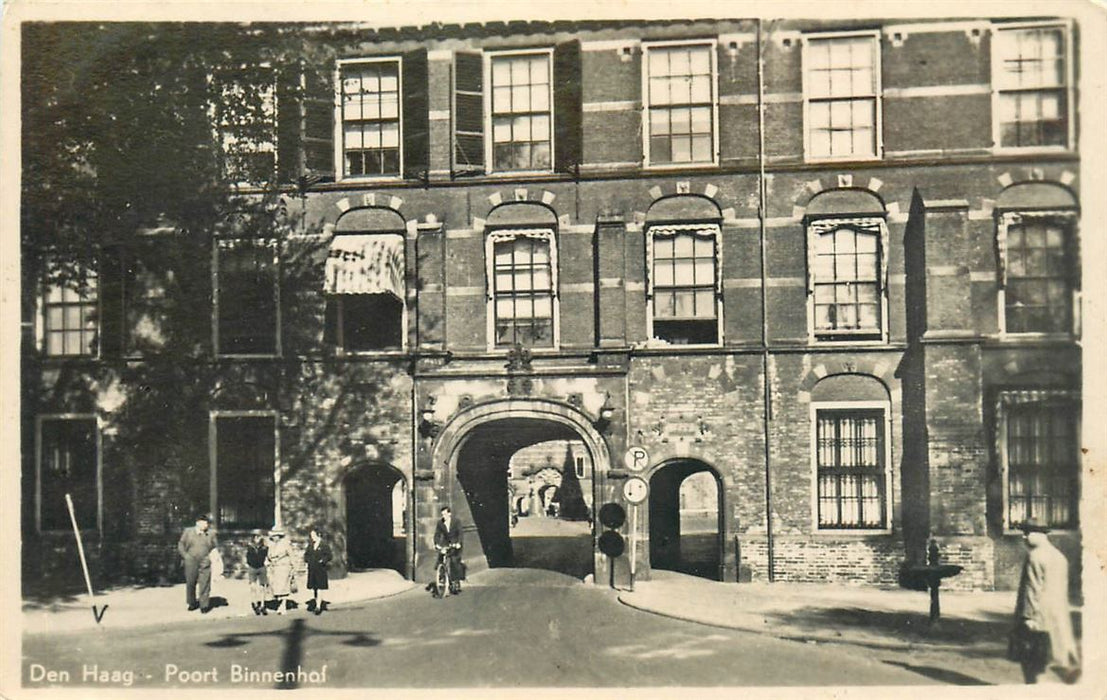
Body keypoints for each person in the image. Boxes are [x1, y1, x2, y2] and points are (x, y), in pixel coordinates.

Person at [1012, 518, 1081, 684]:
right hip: (1055, 618)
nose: (1024, 537)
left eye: (1027, 532)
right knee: (1046, 661)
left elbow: (1031, 588)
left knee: (1031, 665)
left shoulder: (1035, 556)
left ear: (1041, 534)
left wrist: (1028, 617)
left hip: (1035, 618)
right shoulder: (1059, 556)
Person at [177, 514, 217, 613]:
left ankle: (204, 605)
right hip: (191, 559)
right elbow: (181, 544)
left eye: (207, 523)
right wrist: (185, 556)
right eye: (204, 523)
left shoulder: (211, 533)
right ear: (198, 523)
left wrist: (210, 556)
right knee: (191, 582)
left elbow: (214, 546)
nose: (206, 525)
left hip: (205, 560)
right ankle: (192, 602)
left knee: (205, 582)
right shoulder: (188, 532)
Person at [433, 506, 463, 594]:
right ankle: (442, 576)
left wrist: (458, 543)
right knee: (440, 559)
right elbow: (437, 534)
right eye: (442, 514)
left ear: (449, 514)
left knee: (454, 561)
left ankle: (456, 580)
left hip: (455, 543)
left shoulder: (456, 521)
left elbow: (460, 533)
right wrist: (437, 544)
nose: (444, 516)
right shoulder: (440, 523)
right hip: (446, 543)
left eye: (445, 514)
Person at [266, 526, 295, 614]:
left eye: (275, 536)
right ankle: (280, 604)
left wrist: (293, 567)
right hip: (274, 568)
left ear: (279, 536)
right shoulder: (272, 545)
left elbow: (291, 555)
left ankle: (283, 605)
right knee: (276, 587)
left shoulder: (285, 544)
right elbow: (269, 555)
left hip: (284, 567)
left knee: (284, 587)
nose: (273, 538)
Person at [304, 527, 332, 615]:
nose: (312, 537)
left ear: (318, 535)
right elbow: (306, 555)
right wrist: (307, 560)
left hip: (320, 569)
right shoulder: (310, 545)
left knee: (320, 587)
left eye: (313, 535)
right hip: (312, 569)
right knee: (314, 588)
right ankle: (316, 602)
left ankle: (318, 606)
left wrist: (322, 561)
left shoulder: (324, 545)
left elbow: (329, 556)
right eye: (311, 535)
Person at [245, 531, 269, 616]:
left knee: (263, 587)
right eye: (256, 537)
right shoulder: (250, 547)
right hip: (252, 568)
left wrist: (266, 562)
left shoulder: (264, 548)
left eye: (259, 537)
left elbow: (267, 557)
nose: (257, 538)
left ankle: (262, 605)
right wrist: (249, 564)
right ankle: (255, 604)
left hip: (261, 567)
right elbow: (247, 557)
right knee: (253, 587)